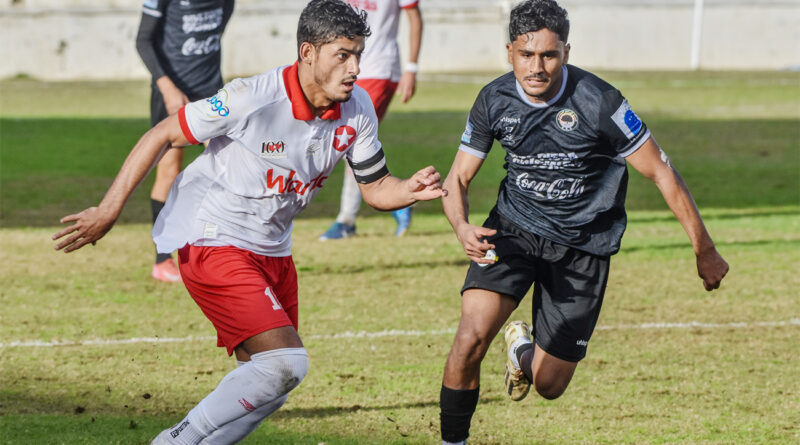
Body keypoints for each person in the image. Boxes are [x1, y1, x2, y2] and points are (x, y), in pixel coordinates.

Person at [53, 1, 444, 443]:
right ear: (308, 52)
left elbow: (375, 188)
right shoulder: (254, 97)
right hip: (212, 238)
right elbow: (162, 133)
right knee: (285, 364)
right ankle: (173, 440)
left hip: (274, 251)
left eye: (358, 54)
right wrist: (108, 210)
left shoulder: (357, 111)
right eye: (342, 55)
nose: (355, 68)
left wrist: (408, 189)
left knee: (270, 385)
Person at [437, 1, 730, 444]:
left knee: (549, 385)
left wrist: (704, 248)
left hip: (582, 246)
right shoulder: (494, 99)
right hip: (513, 230)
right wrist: (461, 226)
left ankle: (522, 347)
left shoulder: (601, 102)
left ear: (566, 53)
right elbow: (457, 176)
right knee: (468, 340)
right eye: (526, 54)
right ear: (510, 52)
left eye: (549, 55)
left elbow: (661, 172)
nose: (537, 67)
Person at [136, 0, 235, 282]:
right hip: (172, 94)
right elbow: (143, 40)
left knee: (229, 168)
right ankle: (162, 259)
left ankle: (227, 251)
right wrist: (166, 87)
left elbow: (220, 25)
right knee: (168, 171)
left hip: (211, 93)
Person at [319, 0, 423, 240]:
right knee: (339, 136)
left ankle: (346, 219)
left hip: (379, 69)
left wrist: (411, 68)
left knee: (350, 137)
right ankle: (397, 195)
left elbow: (414, 17)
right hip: (344, 65)